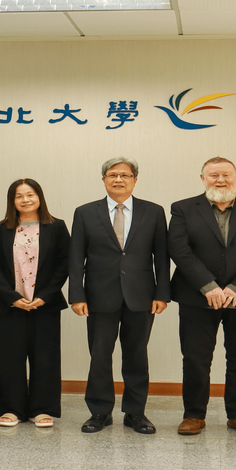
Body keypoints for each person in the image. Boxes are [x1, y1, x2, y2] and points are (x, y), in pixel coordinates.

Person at [168, 157, 236, 436]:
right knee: (195, 358)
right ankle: (194, 414)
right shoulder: (183, 209)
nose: (220, 180)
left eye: (226, 175)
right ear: (202, 178)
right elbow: (179, 250)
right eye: (214, 175)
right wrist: (209, 286)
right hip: (197, 296)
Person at [69, 157, 169, 435]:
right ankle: (100, 412)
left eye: (125, 175)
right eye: (112, 174)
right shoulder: (86, 212)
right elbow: (76, 256)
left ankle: (135, 413)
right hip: (99, 296)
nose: (118, 179)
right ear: (103, 180)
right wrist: (77, 295)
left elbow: (161, 256)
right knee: (100, 355)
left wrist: (163, 292)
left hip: (142, 296)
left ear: (135, 180)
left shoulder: (153, 212)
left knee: (137, 355)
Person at [0, 179, 70, 428]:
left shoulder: (57, 227)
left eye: (30, 194)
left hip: (45, 304)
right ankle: (11, 409)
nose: (25, 199)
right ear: (12, 201)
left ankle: (42, 409)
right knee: (10, 358)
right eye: (18, 196)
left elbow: (65, 263)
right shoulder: (0, 228)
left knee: (46, 358)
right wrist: (12, 297)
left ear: (39, 197)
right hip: (8, 305)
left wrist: (46, 295)